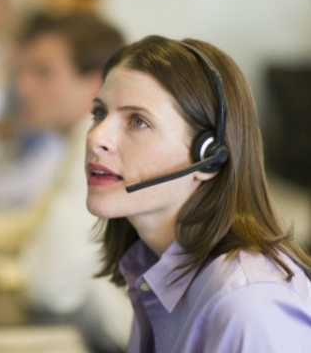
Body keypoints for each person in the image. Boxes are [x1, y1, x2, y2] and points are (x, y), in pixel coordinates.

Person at [86, 35, 311, 352]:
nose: (96, 137)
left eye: (137, 121)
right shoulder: (155, 265)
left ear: (208, 157)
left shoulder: (249, 304)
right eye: (99, 113)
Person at [0, 11, 133, 353]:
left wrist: (23, 259)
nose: (23, 87)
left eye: (43, 72)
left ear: (98, 83)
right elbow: (31, 225)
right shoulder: (74, 144)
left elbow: (49, 287)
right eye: (23, 71)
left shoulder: (102, 152)